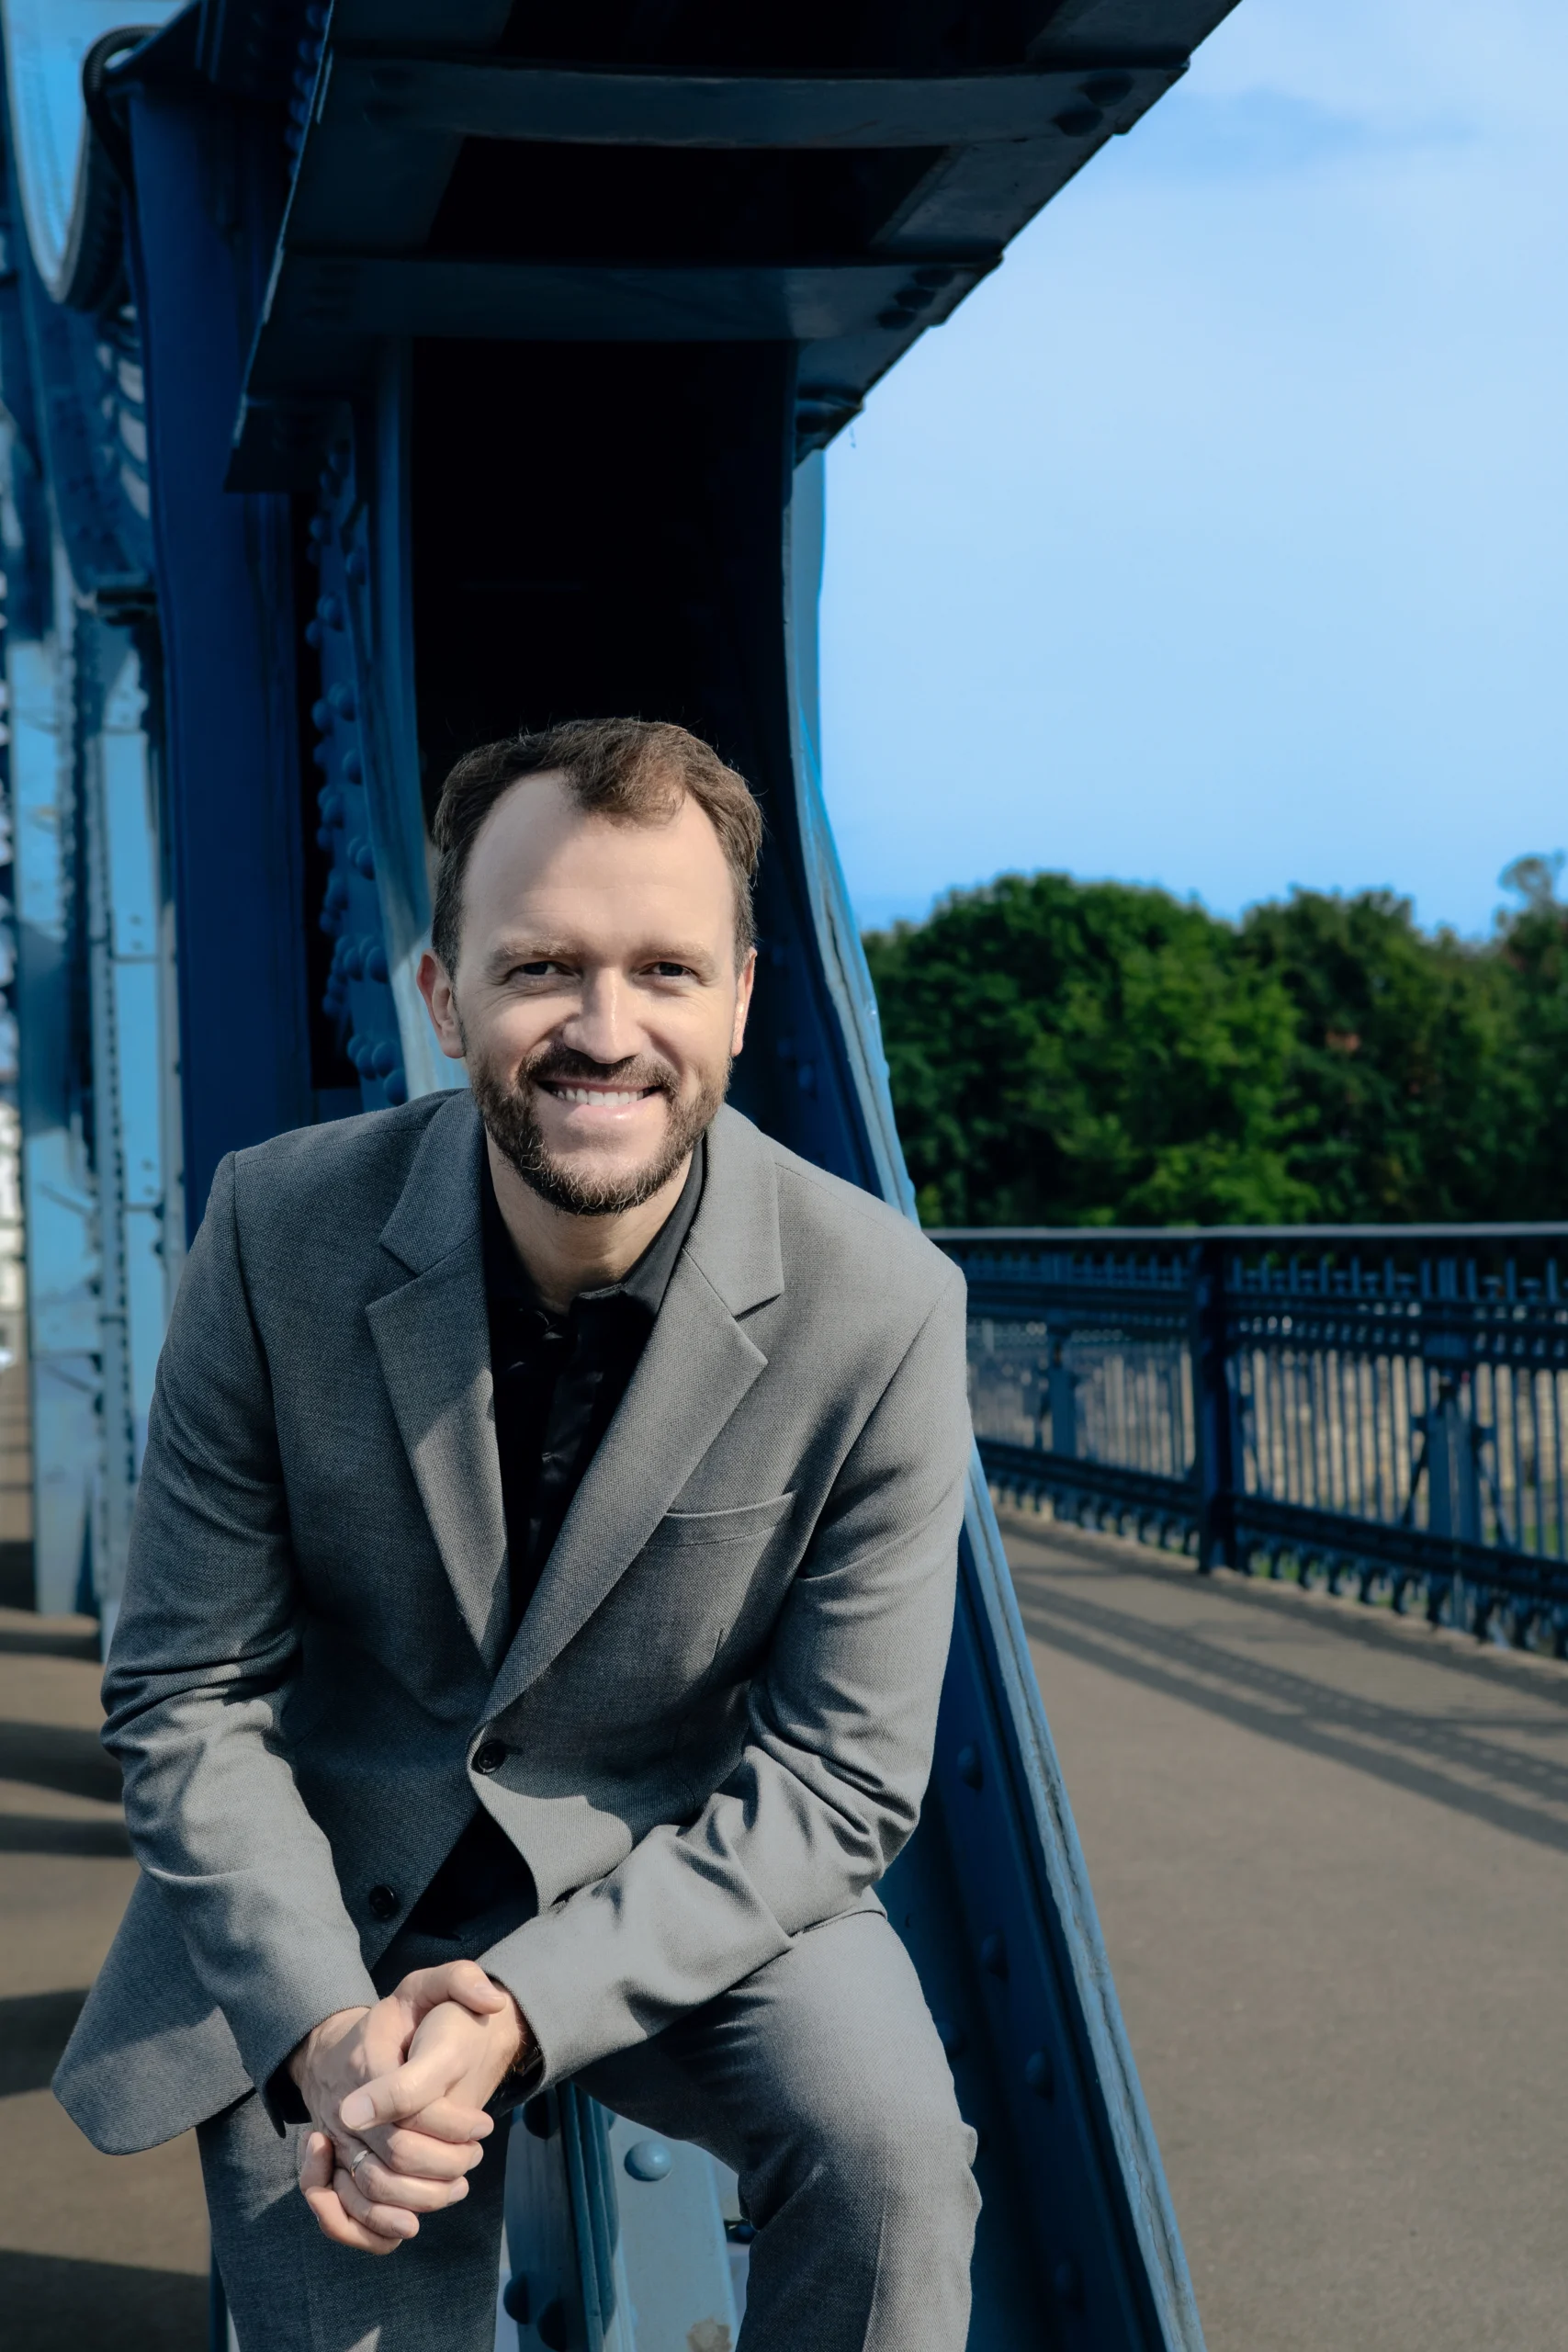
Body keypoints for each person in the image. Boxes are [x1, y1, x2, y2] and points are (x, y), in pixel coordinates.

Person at [55, 718, 979, 2351]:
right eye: (542, 966)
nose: (604, 1032)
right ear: (442, 995)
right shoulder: (276, 1230)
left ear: (740, 1000)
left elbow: (841, 1777)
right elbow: (187, 1688)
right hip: (334, 1892)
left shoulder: (880, 1305)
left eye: (665, 971)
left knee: (889, 2157)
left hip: (671, 1862)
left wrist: (517, 2007)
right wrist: (323, 2028)